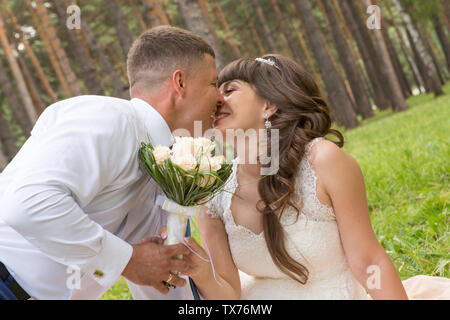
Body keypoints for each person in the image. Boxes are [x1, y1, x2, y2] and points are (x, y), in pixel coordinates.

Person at [180, 54, 450, 299]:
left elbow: (369, 262)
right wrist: (200, 271)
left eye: (230, 90)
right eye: (217, 91)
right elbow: (228, 295)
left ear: (269, 105)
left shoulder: (323, 161)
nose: (217, 100)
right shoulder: (212, 186)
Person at [0, 25, 223, 300]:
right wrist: (128, 261)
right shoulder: (109, 119)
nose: (221, 97)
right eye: (213, 83)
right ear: (180, 83)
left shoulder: (168, 166)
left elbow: (155, 272)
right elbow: (26, 204)